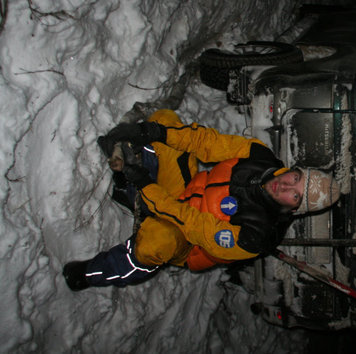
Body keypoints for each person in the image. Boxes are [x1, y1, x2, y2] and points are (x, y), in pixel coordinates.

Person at [63, 109, 340, 291]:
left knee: (157, 242)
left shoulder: (257, 236)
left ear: (295, 208)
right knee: (167, 123)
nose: (285, 186)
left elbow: (193, 225)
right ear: (294, 170)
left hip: (185, 238)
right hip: (181, 192)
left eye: (295, 194)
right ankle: (127, 175)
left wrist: (148, 187)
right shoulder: (260, 156)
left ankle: (93, 273)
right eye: (295, 178)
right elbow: (206, 143)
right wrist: (154, 133)